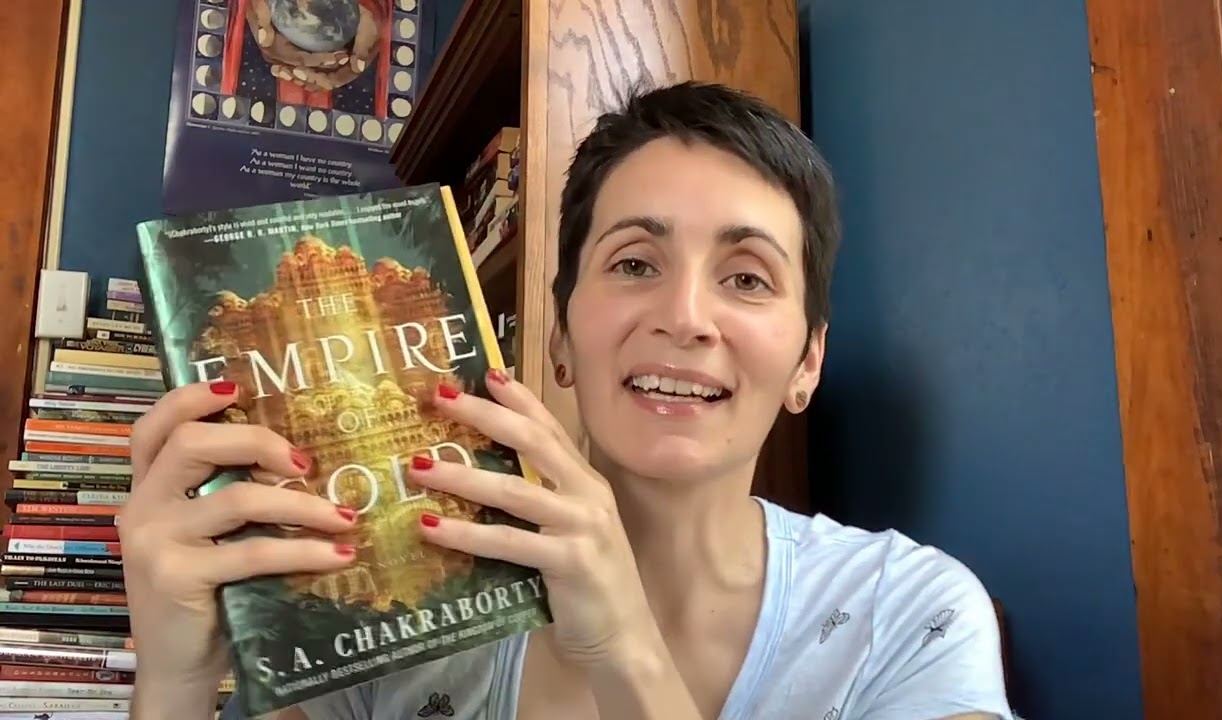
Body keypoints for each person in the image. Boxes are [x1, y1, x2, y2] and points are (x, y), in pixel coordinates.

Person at [119, 81, 1014, 720]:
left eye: (747, 278)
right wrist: (175, 685)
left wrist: (625, 653)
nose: (684, 317)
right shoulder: (399, 605)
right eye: (634, 263)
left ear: (808, 361)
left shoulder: (910, 616)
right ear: (557, 337)